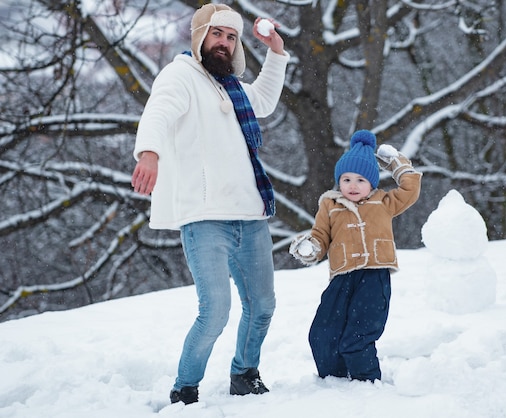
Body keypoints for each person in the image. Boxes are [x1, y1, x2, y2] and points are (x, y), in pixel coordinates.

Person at [131, 3, 289, 404]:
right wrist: (149, 152)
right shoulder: (181, 75)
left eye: (231, 37)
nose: (224, 42)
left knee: (262, 306)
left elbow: (264, 101)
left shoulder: (232, 87)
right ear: (200, 36)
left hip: (249, 215)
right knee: (215, 310)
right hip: (205, 219)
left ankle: (245, 374)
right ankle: (185, 389)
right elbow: (159, 111)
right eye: (217, 34)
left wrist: (276, 52)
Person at [289, 130, 422, 382]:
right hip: (342, 277)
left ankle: (366, 381)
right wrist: (310, 247)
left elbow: (410, 188)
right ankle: (333, 380)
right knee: (323, 332)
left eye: (360, 180)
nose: (352, 185)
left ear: (372, 183)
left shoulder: (384, 201)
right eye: (346, 179)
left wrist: (395, 161)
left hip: (374, 276)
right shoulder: (330, 205)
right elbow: (320, 235)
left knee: (359, 333)